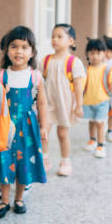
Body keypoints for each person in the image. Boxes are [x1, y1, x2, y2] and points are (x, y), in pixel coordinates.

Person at [0, 26, 48, 218]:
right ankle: (5, 200)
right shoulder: (0, 76)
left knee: (24, 162)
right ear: (7, 50)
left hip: (28, 126)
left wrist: (43, 127)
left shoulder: (35, 76)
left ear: (32, 52)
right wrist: (2, 95)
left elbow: (42, 104)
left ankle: (19, 198)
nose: (19, 51)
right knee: (4, 161)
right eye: (14, 46)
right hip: (6, 126)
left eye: (24, 47)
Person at [41, 24, 86, 177]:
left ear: (70, 41)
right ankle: (44, 159)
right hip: (47, 102)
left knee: (62, 133)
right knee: (44, 132)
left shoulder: (74, 62)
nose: (55, 39)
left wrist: (79, 105)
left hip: (64, 103)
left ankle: (65, 161)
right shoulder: (46, 60)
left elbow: (79, 85)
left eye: (60, 36)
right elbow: (40, 82)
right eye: (53, 36)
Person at [82, 38, 112, 158]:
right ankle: (92, 140)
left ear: (104, 54)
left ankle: (100, 145)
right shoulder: (86, 70)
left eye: (98, 53)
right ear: (87, 54)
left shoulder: (106, 69)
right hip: (88, 101)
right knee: (91, 122)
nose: (94, 56)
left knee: (100, 123)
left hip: (102, 102)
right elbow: (81, 86)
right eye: (91, 53)